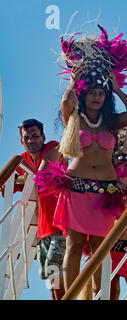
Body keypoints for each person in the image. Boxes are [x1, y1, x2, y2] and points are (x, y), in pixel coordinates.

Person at [35, 26, 127, 297]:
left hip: (104, 193)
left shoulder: (110, 121)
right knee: (73, 246)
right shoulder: (75, 119)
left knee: (100, 250)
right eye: (92, 91)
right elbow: (65, 101)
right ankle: (71, 295)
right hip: (76, 188)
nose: (97, 95)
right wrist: (74, 81)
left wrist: (117, 89)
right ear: (85, 94)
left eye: (101, 92)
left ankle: (99, 296)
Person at [17, 119, 66, 300]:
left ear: (43, 137)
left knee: (58, 279)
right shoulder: (23, 160)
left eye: (35, 136)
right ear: (22, 141)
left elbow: (43, 174)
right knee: (52, 284)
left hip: (61, 223)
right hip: (43, 230)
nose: (31, 140)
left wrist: (20, 178)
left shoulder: (53, 147)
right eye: (26, 138)